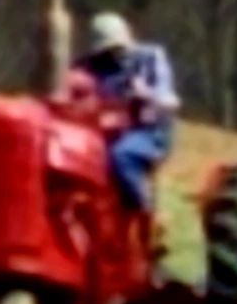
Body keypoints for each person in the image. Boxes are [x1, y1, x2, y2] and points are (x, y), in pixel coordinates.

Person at [77, 11, 180, 214]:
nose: (114, 55)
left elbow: (170, 102)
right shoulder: (88, 67)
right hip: (105, 130)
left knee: (121, 155)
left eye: (117, 48)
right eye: (108, 50)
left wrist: (146, 94)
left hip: (149, 132)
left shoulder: (150, 57)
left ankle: (147, 209)